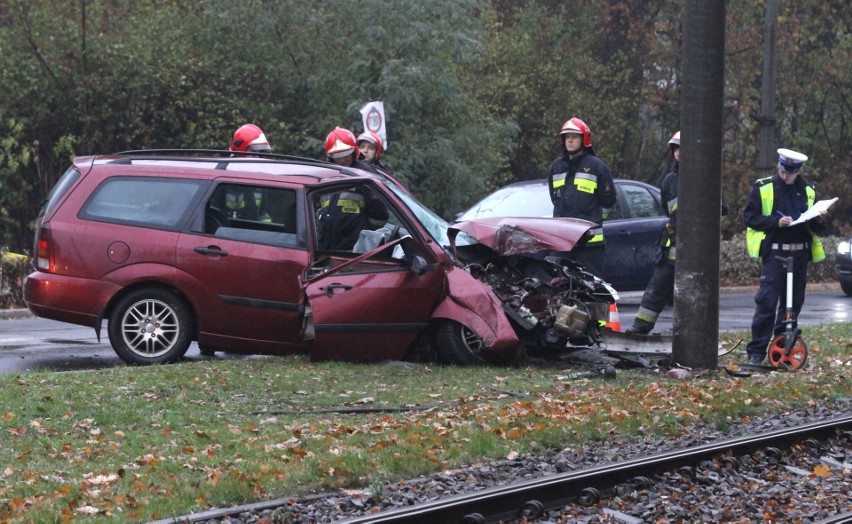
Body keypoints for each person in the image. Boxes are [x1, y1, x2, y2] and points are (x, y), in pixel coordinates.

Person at [742, 148, 830, 365]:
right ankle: (756, 352)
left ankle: (782, 349)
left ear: (798, 171)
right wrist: (775, 222)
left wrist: (819, 220)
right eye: (783, 170)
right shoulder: (764, 187)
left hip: (800, 254)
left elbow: (823, 228)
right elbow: (749, 217)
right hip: (776, 253)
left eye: (790, 172)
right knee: (766, 302)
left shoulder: (808, 191)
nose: (785, 175)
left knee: (793, 304)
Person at [547, 117, 616, 276]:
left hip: (589, 243)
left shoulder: (596, 166)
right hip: (562, 240)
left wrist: (594, 220)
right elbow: (555, 198)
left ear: (584, 139)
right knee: (555, 282)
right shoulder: (556, 167)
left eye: (575, 136)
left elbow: (609, 200)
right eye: (567, 136)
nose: (570, 140)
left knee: (592, 287)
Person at [629, 131, 681, 335]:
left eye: (682, 149)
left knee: (690, 296)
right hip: (672, 247)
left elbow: (720, 209)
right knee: (656, 290)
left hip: (696, 251)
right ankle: (639, 330)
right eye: (676, 149)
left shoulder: (703, 177)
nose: (678, 153)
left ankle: (688, 337)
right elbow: (667, 212)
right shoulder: (669, 180)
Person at [319, 127, 389, 250]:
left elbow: (379, 214)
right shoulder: (327, 174)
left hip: (353, 250)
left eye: (346, 155)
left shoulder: (363, 174)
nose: (342, 159)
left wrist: (363, 234)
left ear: (354, 152)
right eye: (337, 156)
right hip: (327, 246)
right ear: (330, 156)